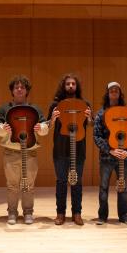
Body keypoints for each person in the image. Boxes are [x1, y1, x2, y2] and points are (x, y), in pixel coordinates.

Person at [0, 75, 48, 225]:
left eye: (22, 87)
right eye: (16, 87)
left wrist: (41, 128)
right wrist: (3, 129)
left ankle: (28, 212)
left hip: (30, 152)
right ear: (12, 90)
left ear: (26, 91)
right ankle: (12, 212)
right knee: (12, 186)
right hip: (11, 152)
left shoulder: (35, 109)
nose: (19, 89)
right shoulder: (5, 108)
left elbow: (45, 128)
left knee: (29, 185)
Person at [47, 73, 92, 226]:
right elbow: (47, 126)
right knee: (61, 182)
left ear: (77, 86)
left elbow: (90, 124)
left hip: (79, 148)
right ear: (63, 86)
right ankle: (60, 214)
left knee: (77, 182)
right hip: (60, 149)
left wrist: (90, 118)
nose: (71, 86)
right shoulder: (55, 105)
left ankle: (77, 213)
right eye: (68, 84)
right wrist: (52, 119)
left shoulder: (85, 104)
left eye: (73, 83)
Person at [94, 82, 127, 226]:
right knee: (104, 186)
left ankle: (124, 215)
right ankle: (102, 216)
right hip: (107, 156)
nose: (114, 92)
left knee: (122, 186)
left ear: (120, 93)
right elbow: (97, 136)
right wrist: (110, 150)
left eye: (116, 90)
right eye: (111, 90)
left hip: (123, 156)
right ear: (107, 93)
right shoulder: (101, 113)